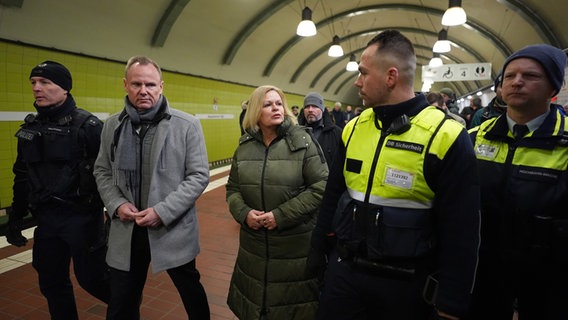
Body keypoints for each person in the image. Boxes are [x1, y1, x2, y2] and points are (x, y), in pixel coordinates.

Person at [309, 29, 480, 320]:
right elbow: (333, 195)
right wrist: (316, 251)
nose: (357, 81)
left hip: (405, 286)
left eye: (363, 73)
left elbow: (462, 229)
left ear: (391, 77)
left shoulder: (446, 135)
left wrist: (451, 303)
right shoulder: (354, 128)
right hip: (345, 273)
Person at [93, 56, 210, 319]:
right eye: (136, 84)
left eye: (150, 84)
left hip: (172, 227)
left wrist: (162, 211)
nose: (143, 90)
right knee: (122, 299)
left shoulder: (186, 125)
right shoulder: (113, 125)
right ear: (125, 85)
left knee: (190, 290)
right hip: (127, 229)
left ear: (161, 86)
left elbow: (199, 175)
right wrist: (116, 204)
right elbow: (101, 169)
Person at [468, 44, 568, 320]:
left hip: (549, 274)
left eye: (531, 76)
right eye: (509, 76)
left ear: (553, 88)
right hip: (485, 268)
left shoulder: (564, 141)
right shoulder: (474, 138)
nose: (517, 82)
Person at [11, 60, 110, 319]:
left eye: (45, 82)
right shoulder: (30, 129)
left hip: (83, 219)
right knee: (51, 280)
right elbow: (22, 174)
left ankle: (126, 309)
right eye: (33, 82)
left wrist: (114, 218)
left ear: (65, 88)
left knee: (93, 280)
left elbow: (108, 176)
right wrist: (16, 217)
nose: (37, 88)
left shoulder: (88, 126)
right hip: (47, 220)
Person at [225, 85, 328, 319]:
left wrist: (280, 216)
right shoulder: (244, 147)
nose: (275, 108)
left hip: (294, 248)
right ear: (254, 111)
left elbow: (321, 186)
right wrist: (244, 213)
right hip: (253, 247)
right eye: (268, 104)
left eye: (279, 103)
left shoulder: (303, 142)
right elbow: (233, 189)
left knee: (290, 309)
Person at [297, 92, 343, 168]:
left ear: (322, 110)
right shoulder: (296, 131)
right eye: (307, 107)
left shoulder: (336, 133)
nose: (310, 110)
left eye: (315, 106)